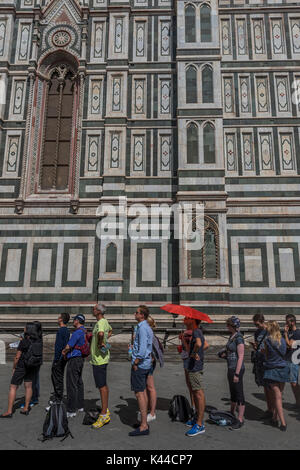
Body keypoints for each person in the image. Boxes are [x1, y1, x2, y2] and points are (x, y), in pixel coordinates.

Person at [1, 323, 42, 417]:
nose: (24, 328)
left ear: (28, 329)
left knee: (13, 387)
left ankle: (9, 411)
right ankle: (26, 408)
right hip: (32, 365)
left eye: (25, 327)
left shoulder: (24, 341)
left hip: (22, 366)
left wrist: (14, 367)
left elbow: (17, 356)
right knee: (28, 386)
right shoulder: (38, 340)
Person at [129, 305, 153, 437]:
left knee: (139, 393)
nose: (134, 314)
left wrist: (136, 362)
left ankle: (143, 425)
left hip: (140, 364)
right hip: (146, 364)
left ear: (142, 315)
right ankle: (143, 422)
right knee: (142, 392)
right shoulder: (145, 327)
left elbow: (143, 349)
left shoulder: (143, 328)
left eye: (136, 312)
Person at [262, 321, 290, 431]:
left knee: (277, 397)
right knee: (279, 395)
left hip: (272, 370)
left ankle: (283, 423)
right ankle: (274, 417)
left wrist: (264, 352)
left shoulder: (267, 340)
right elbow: (283, 353)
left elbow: (268, 356)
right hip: (283, 369)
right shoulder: (282, 340)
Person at [184, 316, 209, 437]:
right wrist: (196, 352)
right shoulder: (198, 331)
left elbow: (199, 344)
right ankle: (197, 419)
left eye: (187, 318)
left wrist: (194, 353)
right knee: (196, 392)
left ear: (193, 321)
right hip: (194, 366)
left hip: (195, 367)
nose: (184, 320)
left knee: (198, 393)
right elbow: (204, 345)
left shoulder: (196, 331)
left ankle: (199, 424)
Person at [90, 304, 113, 430]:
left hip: (99, 359)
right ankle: (105, 409)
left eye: (94, 309)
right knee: (103, 385)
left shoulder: (100, 322)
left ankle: (104, 415)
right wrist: (105, 339)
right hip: (102, 358)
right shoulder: (105, 321)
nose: (92, 310)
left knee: (102, 386)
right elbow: (110, 330)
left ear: (98, 311)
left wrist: (100, 343)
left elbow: (100, 333)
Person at [220, 316, 245, 430]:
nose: (227, 327)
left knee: (239, 393)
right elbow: (231, 352)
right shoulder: (232, 336)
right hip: (230, 367)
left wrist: (237, 374)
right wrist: (225, 354)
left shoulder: (239, 338)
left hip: (237, 369)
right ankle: (231, 412)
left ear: (233, 326)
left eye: (228, 325)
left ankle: (240, 419)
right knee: (233, 392)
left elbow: (241, 357)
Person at [62, 314, 86, 418]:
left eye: (74, 320)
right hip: (81, 359)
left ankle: (71, 409)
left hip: (74, 359)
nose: (73, 322)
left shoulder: (78, 332)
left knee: (71, 384)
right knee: (79, 382)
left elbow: (69, 345)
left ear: (77, 321)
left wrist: (64, 352)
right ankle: (80, 405)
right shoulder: (84, 331)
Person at [46, 313, 70, 410]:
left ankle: (58, 400)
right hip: (62, 358)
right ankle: (57, 398)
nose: (57, 318)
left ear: (61, 319)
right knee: (58, 378)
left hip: (59, 358)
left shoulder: (61, 331)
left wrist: (56, 360)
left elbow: (59, 347)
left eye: (58, 317)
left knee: (57, 379)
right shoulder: (66, 330)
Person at [250, 313, 272, 419]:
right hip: (260, 361)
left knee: (271, 387)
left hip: (269, 362)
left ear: (263, 321)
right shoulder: (257, 332)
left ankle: (274, 410)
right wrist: (255, 346)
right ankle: (269, 409)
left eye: (257, 325)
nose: (256, 327)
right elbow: (257, 345)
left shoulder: (270, 331)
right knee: (265, 386)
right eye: (255, 325)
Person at [283, 314, 300, 407]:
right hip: (286, 359)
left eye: (287, 322)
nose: (286, 323)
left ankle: (298, 402)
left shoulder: (297, 333)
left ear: (293, 322)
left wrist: (285, 334)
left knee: (294, 382)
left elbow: (289, 345)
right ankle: (298, 402)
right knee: (289, 382)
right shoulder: (288, 332)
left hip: (294, 360)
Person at [178, 329, 194, 411]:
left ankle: (194, 406)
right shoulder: (187, 330)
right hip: (185, 357)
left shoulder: (192, 331)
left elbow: (189, 348)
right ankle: (193, 405)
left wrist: (183, 339)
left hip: (188, 358)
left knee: (191, 384)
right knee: (189, 384)